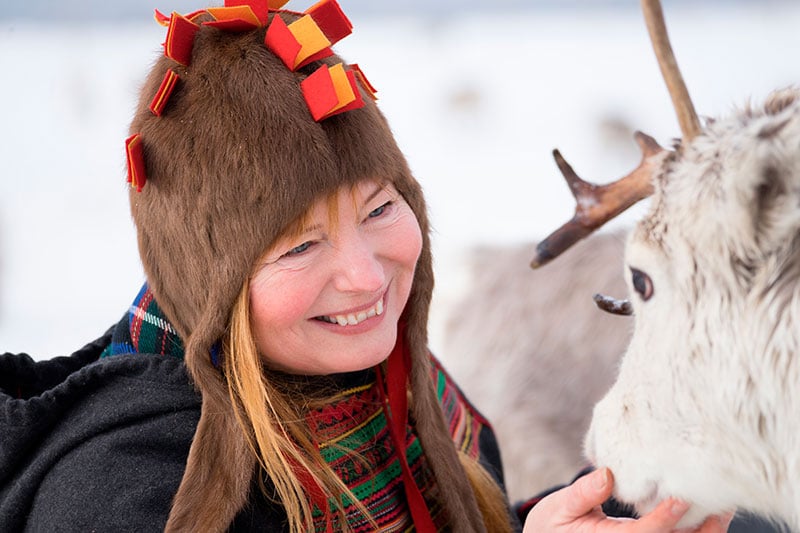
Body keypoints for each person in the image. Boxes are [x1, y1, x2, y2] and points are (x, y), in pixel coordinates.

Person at [0, 2, 736, 532]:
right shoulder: (127, 490)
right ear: (209, 282)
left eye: (380, 208)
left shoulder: (405, 392)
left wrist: (590, 512)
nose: (366, 275)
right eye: (299, 245)